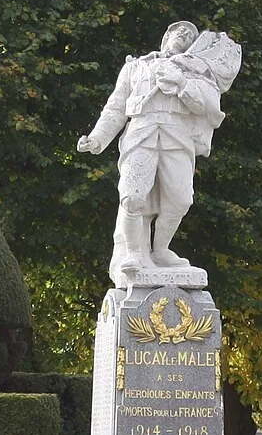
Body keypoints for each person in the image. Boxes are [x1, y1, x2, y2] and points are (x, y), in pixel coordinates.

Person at [77, 20, 242, 284]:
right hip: (141, 134)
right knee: (132, 197)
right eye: (179, 32)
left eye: (189, 35)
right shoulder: (135, 67)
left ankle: (161, 250)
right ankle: (133, 255)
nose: (183, 36)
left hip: (177, 137)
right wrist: (97, 138)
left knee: (181, 200)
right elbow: (116, 108)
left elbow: (212, 107)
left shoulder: (195, 71)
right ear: (166, 36)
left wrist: (181, 84)